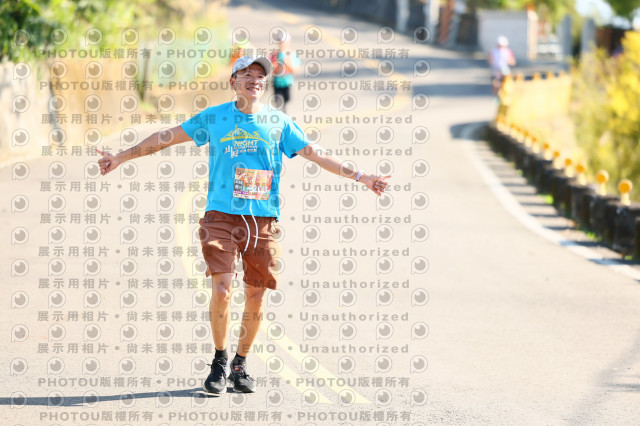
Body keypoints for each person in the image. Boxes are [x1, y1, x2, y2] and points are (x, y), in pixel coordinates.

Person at [96, 55, 391, 394]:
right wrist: (120, 157)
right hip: (221, 216)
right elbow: (165, 137)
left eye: (259, 76)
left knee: (256, 294)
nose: (254, 80)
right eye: (246, 74)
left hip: (262, 220)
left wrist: (361, 176)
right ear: (233, 82)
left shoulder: (278, 122)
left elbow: (316, 153)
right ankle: (220, 360)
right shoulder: (215, 117)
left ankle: (241, 363)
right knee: (222, 290)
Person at [269, 32, 300, 113]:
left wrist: (286, 62)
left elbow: (296, 70)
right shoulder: (274, 54)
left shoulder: (292, 54)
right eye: (280, 42)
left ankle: (283, 113)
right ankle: (282, 116)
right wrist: (276, 65)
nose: (281, 44)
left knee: (287, 99)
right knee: (279, 102)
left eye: (283, 42)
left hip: (287, 82)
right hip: (277, 83)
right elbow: (270, 69)